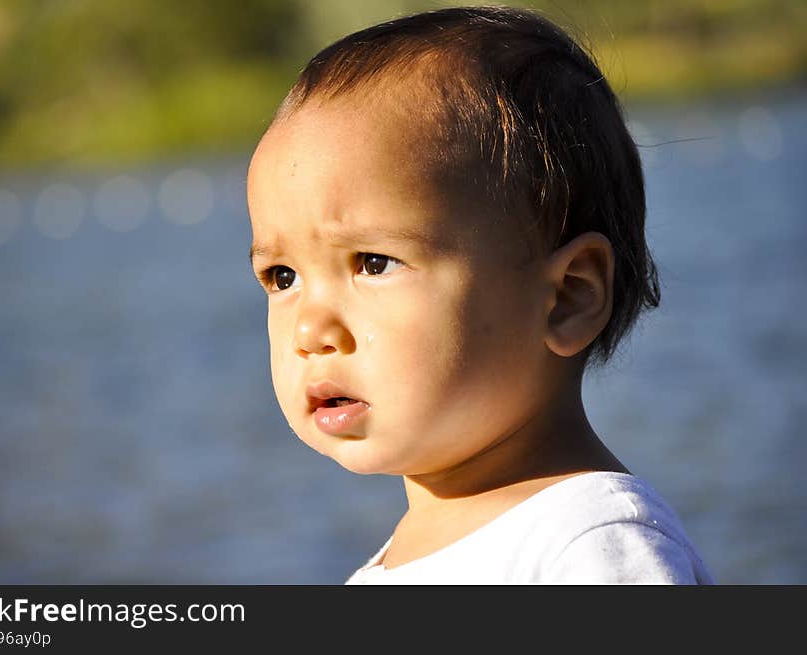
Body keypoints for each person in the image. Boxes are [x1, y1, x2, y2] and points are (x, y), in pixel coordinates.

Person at [245, 5, 713, 584]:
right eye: (282, 277)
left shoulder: (590, 543)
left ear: (568, 297)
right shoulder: (386, 571)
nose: (310, 331)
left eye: (372, 262)